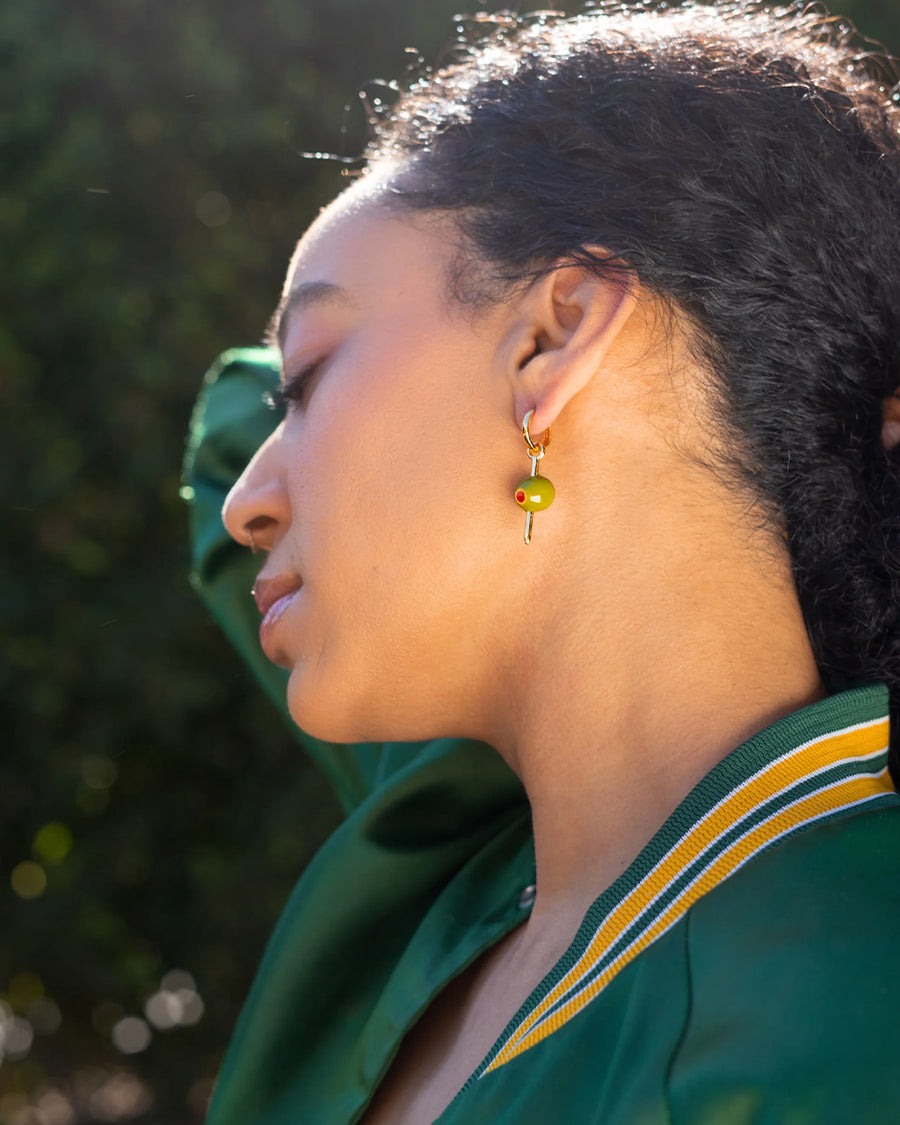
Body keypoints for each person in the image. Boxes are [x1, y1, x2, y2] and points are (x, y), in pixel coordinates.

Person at [182, 2, 900, 1121]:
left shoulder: (846, 1004)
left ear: (554, 336)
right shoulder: (452, 840)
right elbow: (230, 425)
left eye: (310, 377)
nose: (244, 505)